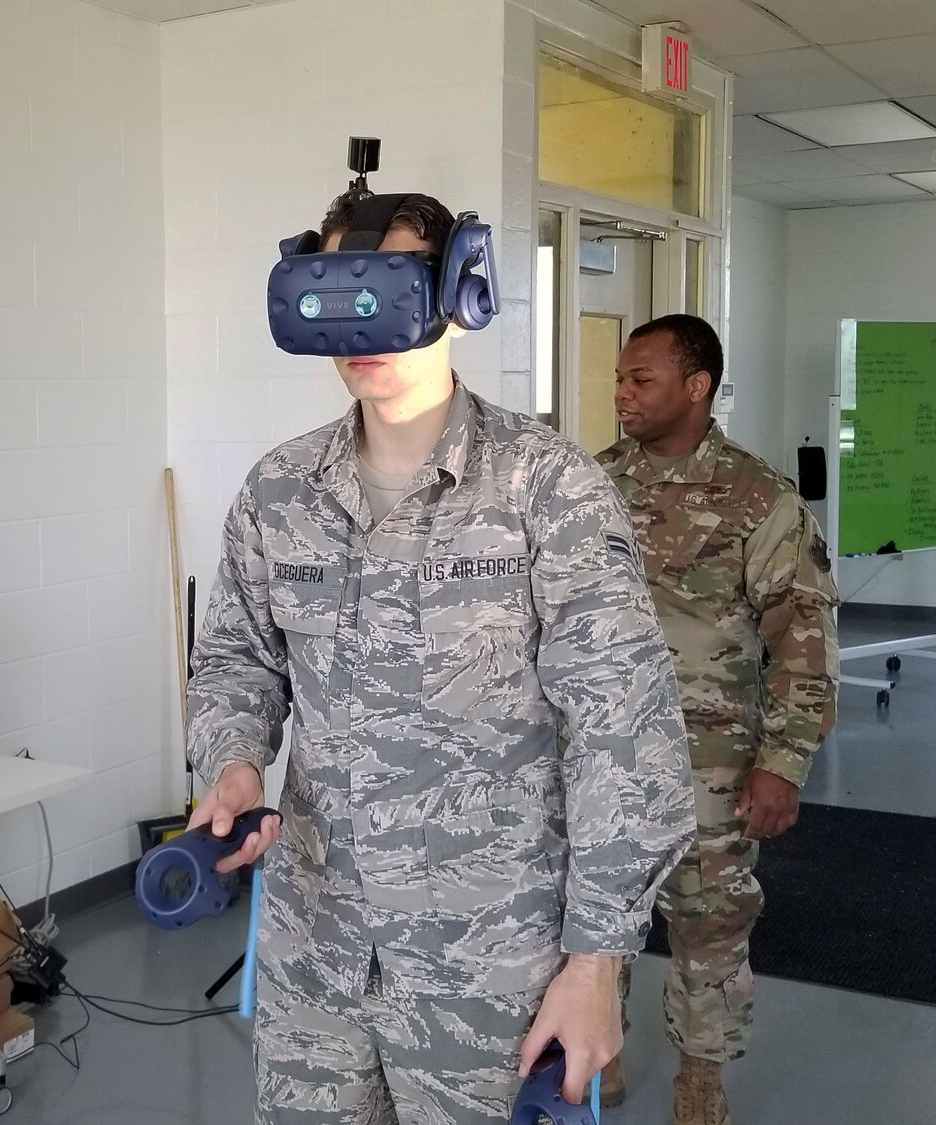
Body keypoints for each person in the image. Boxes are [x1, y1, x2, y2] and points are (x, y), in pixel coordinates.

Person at [185, 187, 695, 1124]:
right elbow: (236, 661)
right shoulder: (279, 492)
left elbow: (623, 733)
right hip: (317, 954)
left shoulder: (550, 489)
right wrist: (233, 762)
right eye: (334, 294)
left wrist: (597, 963)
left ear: (461, 292)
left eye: (389, 292)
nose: (360, 327)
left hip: (487, 964)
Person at [592, 314, 838, 1124]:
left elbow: (802, 634)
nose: (622, 392)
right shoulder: (590, 486)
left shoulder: (757, 497)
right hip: (594, 753)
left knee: (710, 917)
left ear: (696, 386)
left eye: (642, 379)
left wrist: (785, 762)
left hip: (711, 759)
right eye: (621, 379)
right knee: (597, 909)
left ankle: (701, 1075)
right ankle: (602, 1049)